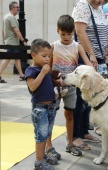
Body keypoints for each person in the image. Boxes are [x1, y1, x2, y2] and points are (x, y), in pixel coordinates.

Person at [49, 15, 93, 156]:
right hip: (55, 88)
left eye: (69, 34)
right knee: (51, 115)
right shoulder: (53, 46)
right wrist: (53, 80)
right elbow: (48, 68)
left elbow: (88, 64)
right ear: (58, 31)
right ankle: (48, 146)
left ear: (73, 31)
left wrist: (92, 72)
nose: (66, 37)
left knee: (70, 115)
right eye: (63, 34)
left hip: (71, 88)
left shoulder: (77, 46)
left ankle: (69, 143)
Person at [72, 0, 108, 144]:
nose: (98, 1)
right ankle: (75, 135)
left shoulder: (99, 9)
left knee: (89, 96)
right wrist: (91, 54)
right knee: (81, 98)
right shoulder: (83, 5)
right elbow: (80, 32)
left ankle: (84, 130)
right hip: (85, 58)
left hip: (97, 58)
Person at [25, 39, 60, 170]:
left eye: (49, 56)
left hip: (50, 107)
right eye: (44, 56)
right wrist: (43, 73)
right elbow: (33, 87)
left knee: (46, 133)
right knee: (40, 135)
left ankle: (43, 155)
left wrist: (57, 82)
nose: (47, 59)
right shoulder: (31, 70)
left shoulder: (43, 69)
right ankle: (38, 162)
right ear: (34, 55)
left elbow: (47, 84)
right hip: (39, 109)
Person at [0, 1, 27, 83]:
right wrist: (23, 40)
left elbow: (3, 30)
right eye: (17, 7)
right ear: (12, 8)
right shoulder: (11, 18)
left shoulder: (6, 17)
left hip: (10, 41)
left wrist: (4, 40)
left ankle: (22, 75)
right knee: (7, 59)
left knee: (17, 58)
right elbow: (16, 31)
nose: (18, 9)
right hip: (12, 42)